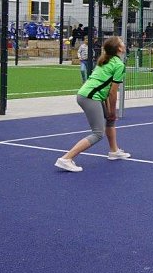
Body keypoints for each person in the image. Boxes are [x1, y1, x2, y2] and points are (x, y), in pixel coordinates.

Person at [55, 36, 130, 172]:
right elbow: (113, 93)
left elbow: (105, 89)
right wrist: (113, 111)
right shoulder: (119, 65)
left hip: (89, 95)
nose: (124, 44)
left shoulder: (107, 60)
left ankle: (114, 151)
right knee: (98, 133)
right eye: (122, 43)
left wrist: (110, 114)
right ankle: (66, 158)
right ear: (119, 48)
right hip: (89, 97)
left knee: (109, 121)